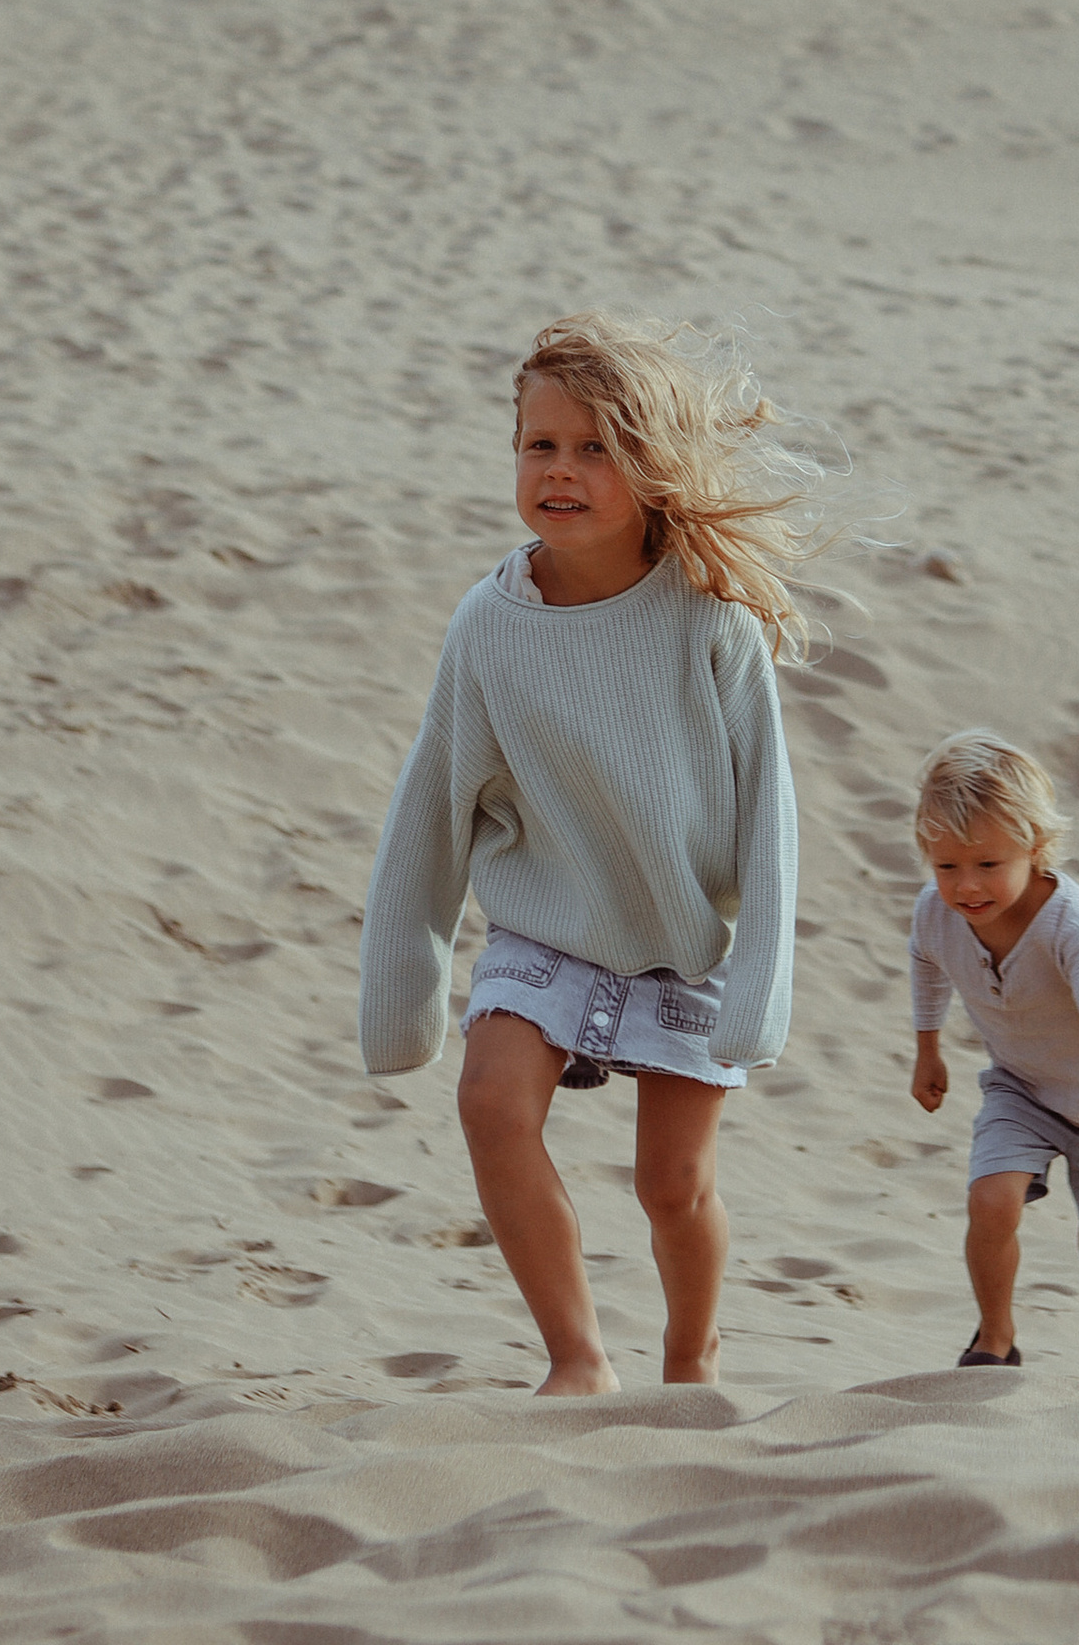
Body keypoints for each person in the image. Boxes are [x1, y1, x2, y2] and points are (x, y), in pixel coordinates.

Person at [358, 315, 827, 1395]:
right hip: (546, 929)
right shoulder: (488, 624)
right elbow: (433, 804)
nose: (561, 472)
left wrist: (761, 983)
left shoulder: (711, 618)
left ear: (652, 467)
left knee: (673, 1185)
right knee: (490, 1104)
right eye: (540, 445)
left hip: (684, 941)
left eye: (596, 448)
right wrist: (404, 989)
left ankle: (690, 1360)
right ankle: (577, 1360)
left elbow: (771, 816)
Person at [908, 730, 1079, 1384]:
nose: (966, 887)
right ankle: (996, 1338)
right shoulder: (936, 912)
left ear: (1035, 847)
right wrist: (928, 1049)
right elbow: (926, 960)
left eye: (987, 865)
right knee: (991, 1200)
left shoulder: (1074, 927)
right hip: (1022, 1087)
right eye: (946, 867)